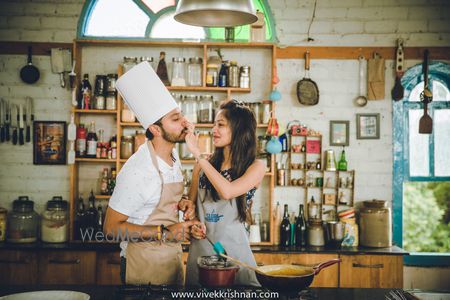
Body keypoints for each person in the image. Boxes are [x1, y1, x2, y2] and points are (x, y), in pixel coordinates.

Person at [103, 61, 199, 285]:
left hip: (172, 261)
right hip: (142, 266)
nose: (185, 122)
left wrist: (183, 203)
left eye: (180, 115)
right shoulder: (139, 169)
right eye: (175, 119)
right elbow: (110, 228)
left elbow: (156, 201)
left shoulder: (173, 159)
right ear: (155, 129)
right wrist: (165, 233)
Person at [185, 100, 266, 286]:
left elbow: (228, 191)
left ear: (239, 129)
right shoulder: (202, 166)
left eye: (220, 124)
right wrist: (193, 223)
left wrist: (198, 154)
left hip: (234, 255)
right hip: (201, 254)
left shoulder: (256, 167)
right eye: (214, 124)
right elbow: (191, 210)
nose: (214, 129)